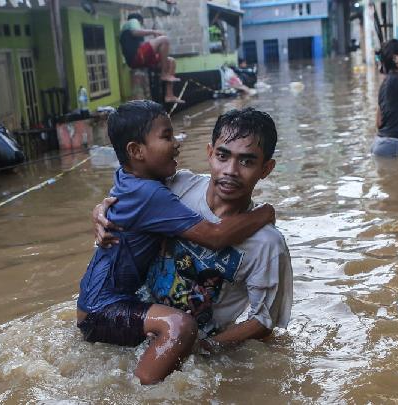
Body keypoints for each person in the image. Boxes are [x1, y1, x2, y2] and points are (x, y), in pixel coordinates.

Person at [76, 100, 276, 385]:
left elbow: (265, 321)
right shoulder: (157, 192)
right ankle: (142, 393)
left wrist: (100, 209)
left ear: (266, 168)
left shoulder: (137, 180)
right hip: (104, 306)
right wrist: (265, 212)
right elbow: (215, 236)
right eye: (167, 137)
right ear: (136, 151)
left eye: (246, 160)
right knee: (180, 326)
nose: (177, 143)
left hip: (100, 302)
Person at [119, 13, 183, 104]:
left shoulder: (129, 36)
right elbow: (135, 32)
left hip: (140, 60)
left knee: (171, 61)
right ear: (140, 21)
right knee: (164, 39)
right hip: (136, 57)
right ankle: (164, 74)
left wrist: (157, 48)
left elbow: (144, 46)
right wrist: (154, 32)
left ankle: (169, 95)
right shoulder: (132, 21)